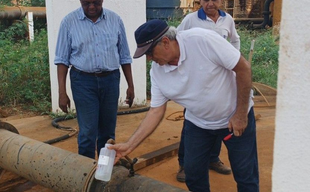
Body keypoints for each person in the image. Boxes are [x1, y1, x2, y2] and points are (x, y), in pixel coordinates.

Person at [109, 19, 259, 192]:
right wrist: (129, 145)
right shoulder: (157, 72)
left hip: (234, 118)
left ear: (165, 42)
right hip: (198, 124)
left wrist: (240, 114)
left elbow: (243, 69)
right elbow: (155, 111)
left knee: (245, 176)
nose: (149, 59)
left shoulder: (202, 40)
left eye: (149, 53)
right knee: (193, 175)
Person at [54, 0, 134, 159]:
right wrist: (62, 92)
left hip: (110, 80)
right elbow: (62, 60)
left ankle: (105, 170)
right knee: (88, 132)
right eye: (87, 3)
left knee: (108, 131)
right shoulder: (69, 22)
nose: (91, 7)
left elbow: (124, 56)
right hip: (83, 81)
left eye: (96, 2)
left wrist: (130, 85)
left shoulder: (115, 20)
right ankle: (86, 173)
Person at [175, 0, 241, 181]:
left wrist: (233, 61)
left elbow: (235, 40)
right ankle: (184, 164)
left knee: (218, 121)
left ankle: (212, 159)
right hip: (197, 83)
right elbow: (176, 43)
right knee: (191, 123)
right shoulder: (190, 20)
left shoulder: (227, 20)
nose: (210, 3)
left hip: (219, 82)